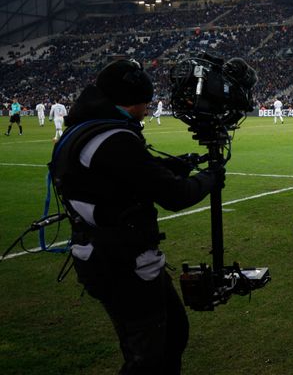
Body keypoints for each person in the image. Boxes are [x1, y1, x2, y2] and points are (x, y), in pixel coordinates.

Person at [53, 59, 224, 374]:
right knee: (148, 356)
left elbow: (121, 178)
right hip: (122, 261)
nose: (148, 109)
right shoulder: (114, 138)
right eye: (145, 101)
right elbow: (173, 195)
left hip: (111, 255)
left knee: (171, 335)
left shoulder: (89, 128)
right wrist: (209, 179)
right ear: (133, 99)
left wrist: (175, 166)